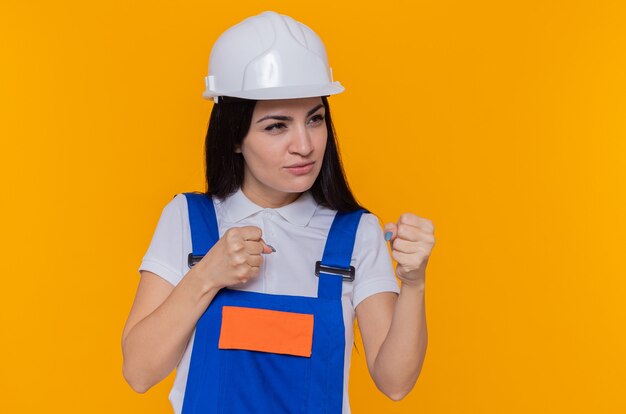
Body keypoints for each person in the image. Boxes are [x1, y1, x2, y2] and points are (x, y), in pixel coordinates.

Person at [122, 10, 435, 414]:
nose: (304, 145)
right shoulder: (189, 219)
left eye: (315, 119)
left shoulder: (356, 233)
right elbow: (139, 372)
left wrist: (414, 284)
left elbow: (395, 383)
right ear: (234, 138)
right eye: (276, 126)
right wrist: (207, 275)